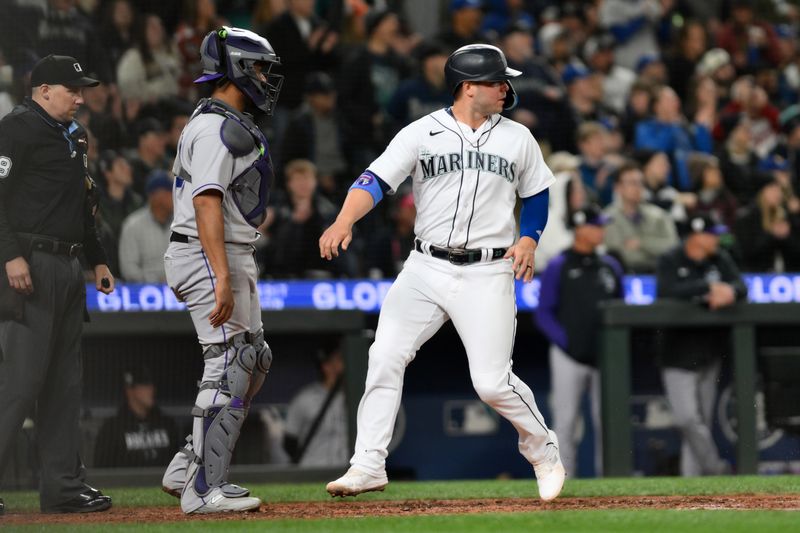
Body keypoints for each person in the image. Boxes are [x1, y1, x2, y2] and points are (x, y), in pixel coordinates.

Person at [319, 44, 565, 502]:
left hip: (488, 270)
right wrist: (344, 219)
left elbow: (537, 193)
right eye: (496, 81)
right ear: (468, 87)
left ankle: (543, 449)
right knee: (385, 354)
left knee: (492, 382)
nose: (505, 87)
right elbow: (373, 180)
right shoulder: (422, 132)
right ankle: (368, 464)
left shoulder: (518, 137)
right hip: (426, 266)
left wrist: (529, 237)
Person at [159, 27, 282, 514]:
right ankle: (203, 490)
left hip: (225, 251)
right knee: (230, 362)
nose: (262, 79)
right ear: (233, 67)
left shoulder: (221, 120)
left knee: (254, 359)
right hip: (208, 253)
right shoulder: (214, 127)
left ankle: (188, 466)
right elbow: (206, 200)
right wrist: (222, 276)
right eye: (256, 68)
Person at [0, 54, 114, 514]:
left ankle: (63, 487)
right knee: (19, 384)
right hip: (30, 264)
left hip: (68, 267)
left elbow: (82, 203)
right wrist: (9, 255)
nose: (80, 98)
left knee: (65, 385)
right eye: (73, 90)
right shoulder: (17, 128)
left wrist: (98, 260)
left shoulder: (72, 135)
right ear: (44, 90)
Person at [536, 205, 623, 478]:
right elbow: (543, 313)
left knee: (607, 422)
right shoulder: (559, 265)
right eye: (596, 226)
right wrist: (567, 342)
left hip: (605, 357)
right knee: (565, 422)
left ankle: (609, 479)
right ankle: (564, 479)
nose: (601, 231)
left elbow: (622, 308)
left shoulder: (610, 265)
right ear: (581, 229)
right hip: (567, 355)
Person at [656, 214, 746, 476]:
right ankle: (715, 468)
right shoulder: (671, 259)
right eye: (712, 234)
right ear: (697, 236)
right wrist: (708, 288)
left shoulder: (720, 258)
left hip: (708, 351)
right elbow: (667, 289)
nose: (717, 239)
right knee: (687, 420)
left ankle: (692, 483)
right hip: (677, 353)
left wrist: (730, 292)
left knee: (702, 423)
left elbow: (740, 285)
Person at [94, 367, 180, 468]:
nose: (151, 389)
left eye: (151, 384)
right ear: (130, 390)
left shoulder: (167, 424)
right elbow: (102, 472)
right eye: (145, 385)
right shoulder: (112, 429)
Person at [603, 162, 679, 272]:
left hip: (660, 273)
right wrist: (656, 253)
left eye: (641, 183)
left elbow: (673, 246)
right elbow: (619, 254)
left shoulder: (659, 215)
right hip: (626, 274)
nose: (638, 188)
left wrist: (642, 243)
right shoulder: (608, 217)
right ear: (618, 188)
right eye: (632, 183)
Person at [283, 345, 348, 467]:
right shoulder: (305, 398)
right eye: (339, 360)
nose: (343, 365)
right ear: (326, 366)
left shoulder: (355, 396)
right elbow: (289, 442)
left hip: (346, 471)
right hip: (313, 469)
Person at [118, 170, 174, 283]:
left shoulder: (181, 223)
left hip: (180, 289)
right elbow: (128, 269)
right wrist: (156, 282)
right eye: (171, 193)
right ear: (158, 197)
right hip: (144, 291)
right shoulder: (132, 225)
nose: (176, 198)